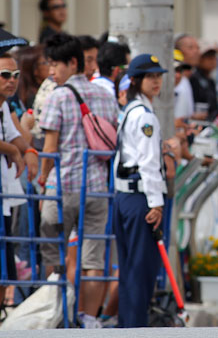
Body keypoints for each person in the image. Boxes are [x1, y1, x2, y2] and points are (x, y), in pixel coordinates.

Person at [37, 33, 119, 329]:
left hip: (63, 186)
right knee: (94, 258)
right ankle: (89, 318)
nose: (51, 71)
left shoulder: (57, 96)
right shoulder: (106, 95)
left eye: (54, 65)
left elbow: (49, 146)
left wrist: (43, 177)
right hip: (97, 187)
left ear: (72, 63)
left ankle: (57, 307)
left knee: (54, 247)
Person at [113, 54, 174, 328]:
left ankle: (128, 326)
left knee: (129, 268)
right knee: (141, 269)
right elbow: (149, 163)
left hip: (125, 196)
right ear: (136, 81)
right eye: (150, 77)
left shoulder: (129, 110)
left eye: (159, 76)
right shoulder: (144, 116)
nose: (156, 81)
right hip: (140, 198)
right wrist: (156, 203)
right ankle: (135, 329)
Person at [0, 54, 39, 310]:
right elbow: (12, 144)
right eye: (5, 75)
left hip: (5, 195)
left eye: (15, 76)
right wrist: (12, 151)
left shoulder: (4, 105)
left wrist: (29, 152)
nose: (11, 81)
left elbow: (17, 137)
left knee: (5, 271)